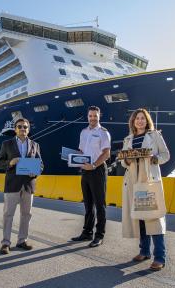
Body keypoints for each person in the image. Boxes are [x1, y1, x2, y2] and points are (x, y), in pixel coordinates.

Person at [120, 108, 170, 271]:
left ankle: (160, 257)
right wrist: (126, 160)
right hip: (134, 182)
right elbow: (122, 162)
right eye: (137, 118)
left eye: (142, 118)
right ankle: (144, 251)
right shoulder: (128, 139)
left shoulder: (154, 135)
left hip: (147, 181)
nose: (140, 121)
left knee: (153, 218)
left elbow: (165, 155)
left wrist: (154, 159)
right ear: (133, 122)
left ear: (147, 120)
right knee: (139, 218)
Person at [0, 117, 43, 254]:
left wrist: (34, 173)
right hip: (12, 184)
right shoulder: (7, 144)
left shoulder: (35, 145)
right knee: (8, 214)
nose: (23, 129)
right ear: (15, 129)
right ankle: (5, 243)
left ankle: (22, 240)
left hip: (28, 184)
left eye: (25, 127)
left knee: (26, 214)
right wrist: (10, 162)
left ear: (28, 129)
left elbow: (41, 165)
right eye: (20, 127)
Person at [71, 106, 111, 247]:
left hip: (97, 169)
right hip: (85, 170)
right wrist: (74, 158)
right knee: (88, 204)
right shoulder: (83, 132)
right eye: (90, 116)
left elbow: (106, 153)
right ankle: (87, 232)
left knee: (100, 204)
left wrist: (93, 165)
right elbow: (81, 150)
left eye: (95, 116)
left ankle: (99, 235)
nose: (93, 118)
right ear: (87, 117)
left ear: (99, 116)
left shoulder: (103, 133)